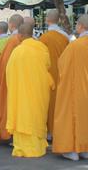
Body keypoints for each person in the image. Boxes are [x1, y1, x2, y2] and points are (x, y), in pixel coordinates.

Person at [53, 14, 88, 161]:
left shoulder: (75, 45)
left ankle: (72, 150)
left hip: (74, 86)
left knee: (72, 115)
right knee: (87, 116)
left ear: (80, 26)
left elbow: (62, 64)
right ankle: (85, 149)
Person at [6, 23, 54, 158]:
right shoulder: (41, 48)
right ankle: (38, 147)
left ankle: (24, 149)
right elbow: (47, 65)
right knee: (37, 116)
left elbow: (9, 72)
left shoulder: (17, 51)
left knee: (24, 117)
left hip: (21, 92)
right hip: (39, 90)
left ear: (20, 36)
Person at [39, 10, 70, 136]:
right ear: (59, 20)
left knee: (50, 103)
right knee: (62, 102)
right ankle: (62, 130)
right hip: (63, 73)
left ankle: (50, 131)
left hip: (49, 74)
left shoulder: (43, 38)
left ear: (47, 19)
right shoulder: (65, 36)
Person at [0, 14, 25, 142]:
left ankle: (11, 134)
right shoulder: (28, 38)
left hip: (12, 80)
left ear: (11, 25)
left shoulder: (13, 40)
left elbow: (5, 64)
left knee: (11, 106)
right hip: (25, 79)